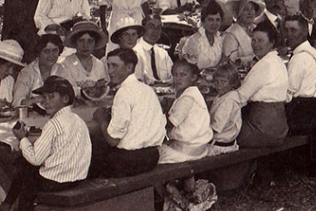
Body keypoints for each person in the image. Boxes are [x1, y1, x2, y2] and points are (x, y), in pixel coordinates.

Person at [0, 76, 90, 211]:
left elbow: (35, 159)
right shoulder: (78, 120)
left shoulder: (53, 124)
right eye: (44, 97)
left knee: (27, 172)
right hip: (77, 177)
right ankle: (9, 210)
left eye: (51, 97)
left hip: (57, 181)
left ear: (65, 98)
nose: (46, 102)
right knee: (27, 169)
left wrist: (22, 138)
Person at [90, 48, 166, 178]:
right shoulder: (146, 89)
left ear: (129, 67)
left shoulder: (123, 93)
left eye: (115, 66)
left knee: (90, 156)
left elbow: (113, 140)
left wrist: (101, 119)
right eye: (108, 66)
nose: (110, 71)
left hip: (129, 161)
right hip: (152, 157)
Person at [229, 24, 290, 148]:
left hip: (262, 129)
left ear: (271, 43)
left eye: (260, 40)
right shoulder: (277, 61)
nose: (255, 45)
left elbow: (241, 96)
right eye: (253, 40)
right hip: (279, 127)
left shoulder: (265, 65)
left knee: (222, 135)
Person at [283, 15, 316, 135]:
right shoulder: (315, 52)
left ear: (305, 32)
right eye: (286, 30)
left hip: (303, 117)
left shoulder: (299, 58)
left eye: (293, 30)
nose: (289, 34)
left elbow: (287, 96)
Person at [158, 60, 213, 165]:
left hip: (187, 151)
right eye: (175, 74)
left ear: (193, 77)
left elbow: (171, 122)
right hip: (197, 146)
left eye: (183, 75)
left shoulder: (187, 97)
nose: (178, 78)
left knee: (152, 157)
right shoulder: (193, 92)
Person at [13, 33, 70, 105]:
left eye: (55, 51)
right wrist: (34, 100)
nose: (51, 55)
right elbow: (17, 102)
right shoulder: (27, 72)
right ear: (38, 52)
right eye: (46, 51)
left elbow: (72, 94)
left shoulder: (62, 70)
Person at [59, 20, 109, 93]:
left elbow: (103, 88)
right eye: (81, 41)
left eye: (90, 41)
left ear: (95, 43)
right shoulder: (65, 64)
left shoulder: (99, 65)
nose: (85, 45)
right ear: (75, 42)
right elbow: (66, 91)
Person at [179, 0, 227, 69]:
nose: (214, 24)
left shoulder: (219, 39)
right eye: (210, 20)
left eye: (218, 20)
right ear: (203, 22)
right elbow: (188, 69)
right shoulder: (194, 41)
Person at [223, 0, 265, 66]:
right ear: (239, 12)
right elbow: (230, 62)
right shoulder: (231, 34)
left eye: (252, 9)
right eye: (245, 9)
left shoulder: (257, 28)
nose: (250, 13)